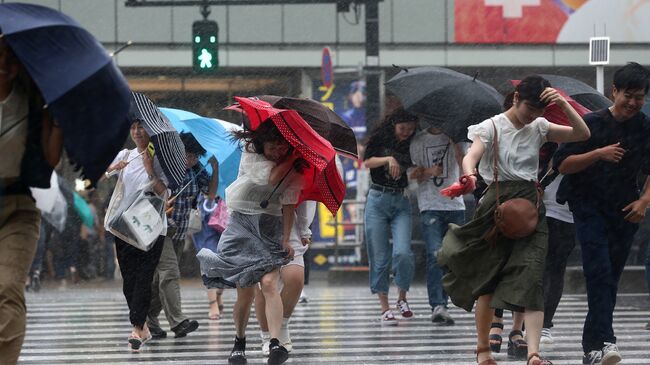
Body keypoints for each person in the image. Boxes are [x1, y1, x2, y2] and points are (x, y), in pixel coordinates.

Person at [437, 75, 590, 365]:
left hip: (531, 207)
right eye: (530, 108)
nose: (533, 115)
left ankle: (533, 353)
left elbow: (582, 134)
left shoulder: (540, 126)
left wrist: (563, 104)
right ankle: (483, 350)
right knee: (488, 281)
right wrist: (469, 175)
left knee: (532, 279)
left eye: (539, 110)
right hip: (495, 205)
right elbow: (472, 156)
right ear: (517, 99)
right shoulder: (491, 126)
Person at [553, 62, 650, 365]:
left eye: (640, 97)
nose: (633, 102)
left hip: (625, 210)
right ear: (614, 91)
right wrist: (598, 153)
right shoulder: (590, 123)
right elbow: (561, 165)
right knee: (599, 273)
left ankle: (591, 346)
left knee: (609, 279)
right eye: (628, 95)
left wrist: (644, 202)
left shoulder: (645, 127)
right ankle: (606, 341)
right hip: (587, 206)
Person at [196, 120, 305, 365]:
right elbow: (270, 179)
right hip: (241, 224)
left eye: (282, 147)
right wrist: (292, 158)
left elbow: (288, 205)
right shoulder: (250, 154)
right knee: (245, 292)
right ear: (262, 143)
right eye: (272, 146)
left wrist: (287, 238)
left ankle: (275, 343)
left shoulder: (296, 170)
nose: (277, 152)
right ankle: (239, 341)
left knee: (269, 283)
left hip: (270, 227)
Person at [0, 38, 63, 364]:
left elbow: (50, 159)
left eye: (11, 55)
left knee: (8, 287)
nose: (5, 61)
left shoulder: (33, 103)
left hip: (18, 208)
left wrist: (57, 117)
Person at [104, 119, 169, 352]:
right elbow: (100, 176)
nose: (137, 132)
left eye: (141, 128)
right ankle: (143, 328)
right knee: (129, 278)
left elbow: (165, 193)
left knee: (143, 276)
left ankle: (136, 327)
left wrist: (151, 170)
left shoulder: (160, 158)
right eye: (133, 128)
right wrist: (114, 168)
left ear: (150, 131)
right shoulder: (126, 154)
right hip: (124, 225)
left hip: (152, 227)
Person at [146, 132, 218, 339]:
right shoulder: (166, 169)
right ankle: (178, 322)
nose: (192, 159)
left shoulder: (196, 171)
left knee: (160, 278)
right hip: (160, 229)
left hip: (180, 230)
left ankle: (147, 318)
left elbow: (211, 195)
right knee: (170, 273)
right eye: (188, 154)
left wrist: (215, 169)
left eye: (195, 156)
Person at [363, 108, 418, 325]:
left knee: (404, 252)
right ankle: (384, 307)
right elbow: (367, 162)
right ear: (393, 124)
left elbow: (415, 169)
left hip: (401, 200)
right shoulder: (379, 139)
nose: (406, 133)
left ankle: (402, 298)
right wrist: (389, 159)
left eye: (411, 129)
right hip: (377, 199)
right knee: (380, 256)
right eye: (403, 128)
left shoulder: (414, 143)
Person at [409, 125, 466, 325]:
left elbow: (466, 168)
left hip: (455, 206)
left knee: (453, 256)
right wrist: (427, 171)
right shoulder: (418, 141)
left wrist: (456, 147)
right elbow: (411, 173)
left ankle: (446, 300)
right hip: (430, 205)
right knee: (435, 254)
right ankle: (438, 305)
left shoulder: (457, 138)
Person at [254, 200, 317, 356]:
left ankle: (281, 324)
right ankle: (267, 335)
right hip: (259, 223)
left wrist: (304, 230)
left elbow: (307, 202)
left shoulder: (298, 175)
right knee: (265, 284)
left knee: (295, 278)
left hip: (291, 225)